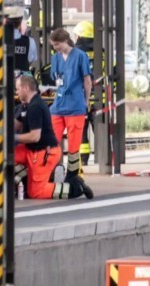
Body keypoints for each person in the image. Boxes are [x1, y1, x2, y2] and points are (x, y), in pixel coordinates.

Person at [14, 75, 93, 200]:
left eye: (18, 89)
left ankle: (74, 188)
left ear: (25, 88)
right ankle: (26, 180)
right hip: (31, 150)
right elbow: (16, 124)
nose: (16, 92)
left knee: (36, 192)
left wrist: (14, 137)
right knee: (5, 156)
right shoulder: (27, 105)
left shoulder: (35, 106)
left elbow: (35, 136)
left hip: (44, 152)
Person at [49, 28, 92, 179]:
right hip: (58, 104)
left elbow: (87, 81)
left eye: (57, 44)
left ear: (65, 41)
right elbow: (56, 80)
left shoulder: (81, 56)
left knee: (74, 146)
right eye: (53, 45)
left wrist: (86, 101)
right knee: (52, 141)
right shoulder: (55, 58)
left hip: (75, 105)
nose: (55, 48)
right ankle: (52, 171)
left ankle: (72, 175)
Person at [72, 20, 97, 166]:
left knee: (81, 131)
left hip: (80, 98)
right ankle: (102, 157)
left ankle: (84, 160)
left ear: (79, 36)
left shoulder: (75, 53)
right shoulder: (102, 51)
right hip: (100, 98)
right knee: (99, 129)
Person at [6, 6, 38, 73]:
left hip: (4, 78)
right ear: (20, 21)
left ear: (6, 21)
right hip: (23, 79)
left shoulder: (0, 41)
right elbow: (30, 60)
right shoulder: (29, 41)